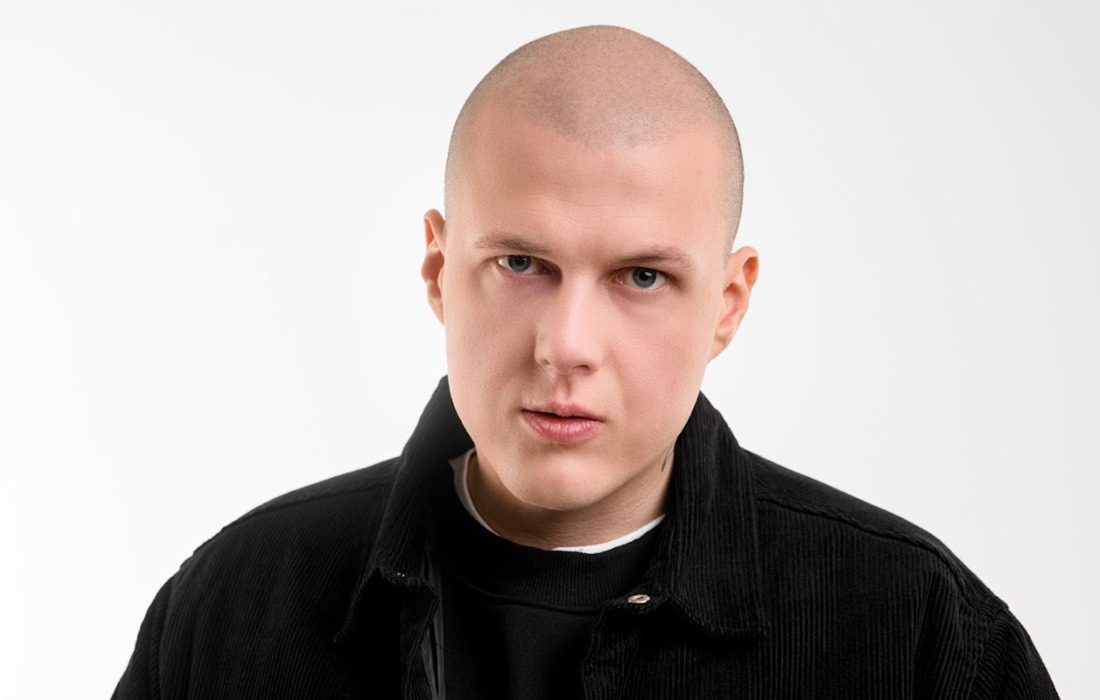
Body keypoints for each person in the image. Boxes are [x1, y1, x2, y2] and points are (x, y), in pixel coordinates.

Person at [113, 25, 1057, 699]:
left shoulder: (920, 637)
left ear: (727, 304)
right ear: (439, 271)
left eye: (642, 277)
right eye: (521, 264)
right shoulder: (232, 608)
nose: (565, 345)